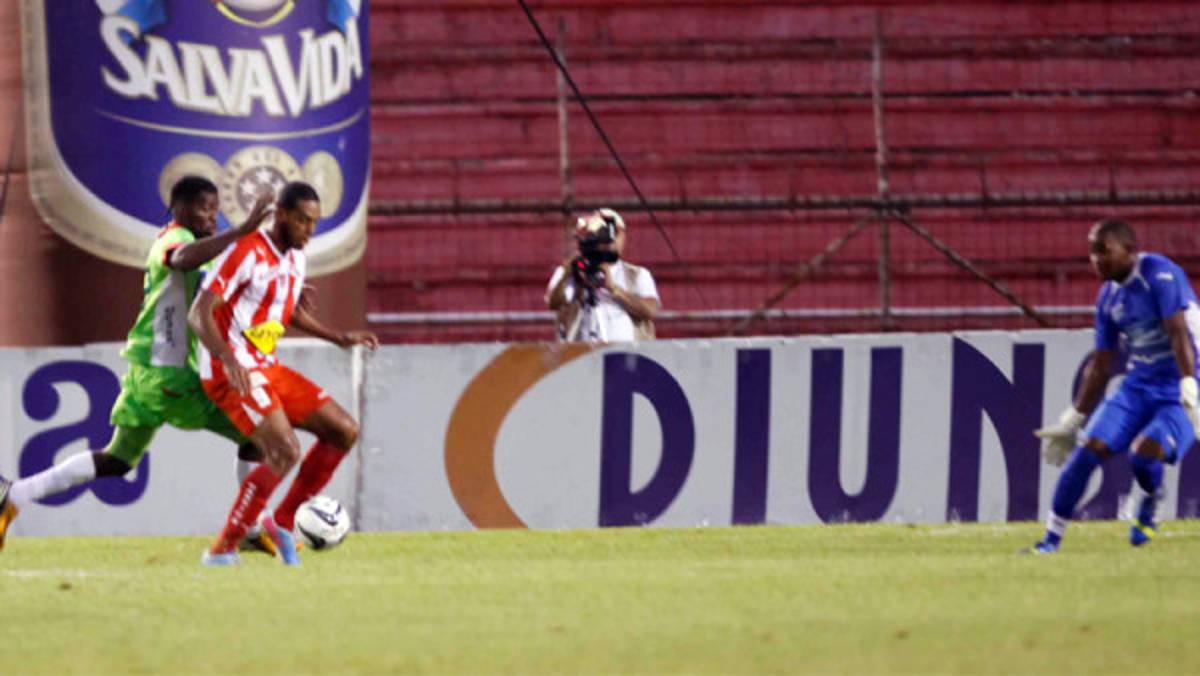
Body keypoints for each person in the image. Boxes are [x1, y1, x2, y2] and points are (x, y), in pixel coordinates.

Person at [0, 176, 273, 551]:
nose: (212, 217)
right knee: (255, 435)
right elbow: (181, 261)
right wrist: (242, 230)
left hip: (152, 369)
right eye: (204, 209)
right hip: (169, 373)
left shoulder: (196, 242)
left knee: (118, 459)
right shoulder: (176, 240)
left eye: (216, 210)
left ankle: (13, 494)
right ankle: (249, 529)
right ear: (178, 208)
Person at [190, 181, 378, 567]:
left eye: (314, 223)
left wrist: (337, 337)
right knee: (284, 450)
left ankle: (284, 521)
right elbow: (199, 313)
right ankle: (223, 549)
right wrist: (227, 358)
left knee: (344, 430)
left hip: (266, 367)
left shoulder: (295, 258)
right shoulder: (245, 251)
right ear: (282, 215)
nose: (310, 230)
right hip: (230, 370)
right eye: (303, 221)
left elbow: (285, 310)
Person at [1029, 218, 1200, 553]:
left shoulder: (1159, 274)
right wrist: (1073, 419)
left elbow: (1178, 332)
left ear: (1130, 251)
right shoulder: (1108, 299)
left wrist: (1188, 383)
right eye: (1092, 252)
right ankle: (1050, 541)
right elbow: (1101, 365)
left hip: (1184, 382)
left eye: (1103, 251)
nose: (1096, 259)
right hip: (1139, 386)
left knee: (1142, 456)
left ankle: (1150, 500)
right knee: (1085, 453)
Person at [545, 208, 660, 343]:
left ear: (623, 236)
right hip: (581, 353)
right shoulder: (573, 269)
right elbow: (553, 303)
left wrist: (614, 289)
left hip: (628, 354)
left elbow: (650, 310)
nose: (609, 239)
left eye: (613, 232)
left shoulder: (638, 274)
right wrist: (569, 275)